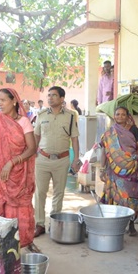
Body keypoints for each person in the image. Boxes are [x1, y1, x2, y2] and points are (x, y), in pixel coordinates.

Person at [0, 88, 37, 248]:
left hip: (19, 176)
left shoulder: (23, 122)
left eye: (3, 100)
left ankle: (24, 244)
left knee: (21, 210)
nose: (0, 104)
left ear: (14, 101)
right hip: (0, 175)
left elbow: (32, 148)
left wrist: (12, 162)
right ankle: (1, 247)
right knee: (1, 207)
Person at [33, 86, 80, 237]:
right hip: (42, 159)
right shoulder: (41, 115)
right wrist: (33, 154)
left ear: (61, 99)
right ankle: (39, 224)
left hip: (62, 160)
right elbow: (36, 136)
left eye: (54, 95)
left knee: (58, 193)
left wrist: (76, 159)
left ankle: (54, 224)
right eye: (49, 95)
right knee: (40, 192)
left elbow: (75, 139)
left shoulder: (70, 116)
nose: (50, 98)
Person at [98, 106, 138, 236]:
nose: (120, 117)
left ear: (128, 116)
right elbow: (104, 151)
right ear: (114, 116)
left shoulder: (134, 130)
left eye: (123, 114)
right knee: (116, 196)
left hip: (132, 170)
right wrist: (102, 169)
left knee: (132, 196)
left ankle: (131, 224)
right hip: (114, 170)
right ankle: (116, 225)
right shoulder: (109, 133)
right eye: (117, 114)